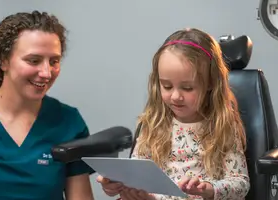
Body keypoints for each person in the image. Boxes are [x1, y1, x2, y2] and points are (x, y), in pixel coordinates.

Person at [97, 28, 250, 200]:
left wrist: (210, 189)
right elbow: (136, 173)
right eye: (167, 86)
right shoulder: (153, 123)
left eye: (187, 88)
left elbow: (240, 184)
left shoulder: (222, 126)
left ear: (210, 84)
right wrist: (115, 185)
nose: (176, 96)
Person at [0, 11, 95, 200]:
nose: (47, 73)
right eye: (34, 60)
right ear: (3, 61)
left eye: (54, 61)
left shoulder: (69, 123)